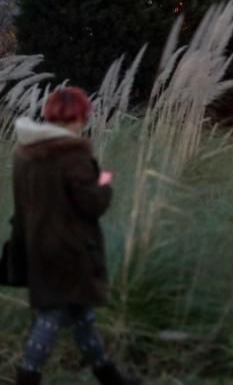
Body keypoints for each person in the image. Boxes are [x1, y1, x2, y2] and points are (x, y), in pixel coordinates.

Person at [11, 87, 141, 385]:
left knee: (81, 316)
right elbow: (92, 204)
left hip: (37, 246)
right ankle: (27, 378)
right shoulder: (72, 156)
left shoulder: (24, 155)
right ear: (79, 116)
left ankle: (109, 376)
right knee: (52, 316)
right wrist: (104, 182)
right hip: (70, 250)